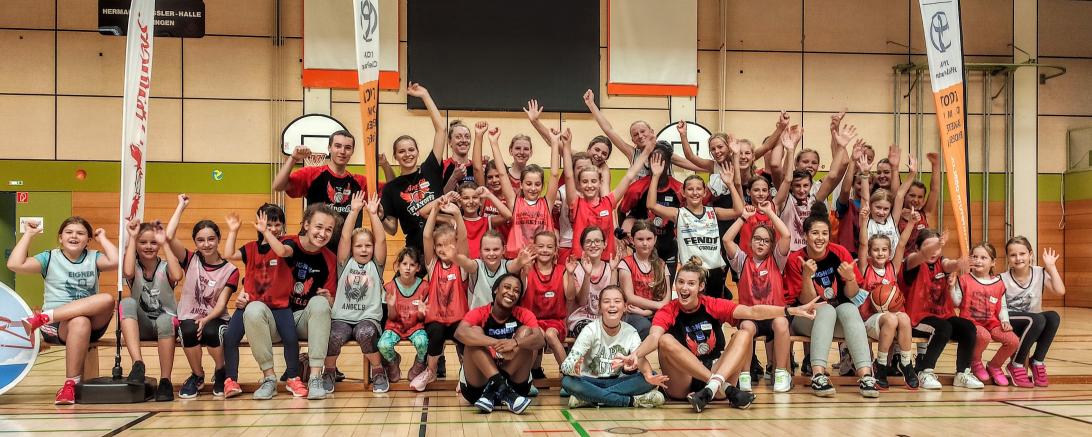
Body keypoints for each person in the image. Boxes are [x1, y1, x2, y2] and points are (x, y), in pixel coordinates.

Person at [620, 258, 820, 412]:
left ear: (700, 287)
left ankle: (711, 389)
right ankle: (720, 386)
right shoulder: (668, 310)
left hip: (716, 368)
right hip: (683, 382)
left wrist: (791, 311)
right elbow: (654, 337)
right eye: (680, 282)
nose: (683, 288)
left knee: (743, 333)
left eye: (690, 283)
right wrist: (635, 355)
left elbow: (752, 312)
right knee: (665, 339)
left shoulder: (712, 304)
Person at [10, 217, 118, 405]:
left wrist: (103, 239)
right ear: (60, 238)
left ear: (88, 240)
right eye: (69, 232)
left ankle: (42, 318)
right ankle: (70, 385)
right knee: (79, 321)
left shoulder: (94, 257)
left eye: (80, 233)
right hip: (59, 327)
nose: (74, 236)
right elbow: (15, 264)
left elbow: (116, 262)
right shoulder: (49, 257)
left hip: (91, 322)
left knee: (107, 299)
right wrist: (28, 234)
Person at [784, 203, 879, 398]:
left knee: (849, 309)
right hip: (805, 319)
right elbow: (806, 302)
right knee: (826, 310)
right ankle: (818, 375)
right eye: (815, 233)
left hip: (835, 321)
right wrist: (806, 277)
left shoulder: (840, 253)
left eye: (824, 233)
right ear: (805, 235)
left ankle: (866, 376)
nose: (820, 238)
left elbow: (853, 295)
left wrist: (851, 277)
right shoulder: (796, 260)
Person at [259, 203, 341, 399]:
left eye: (328, 229)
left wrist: (329, 300)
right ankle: (268, 379)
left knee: (321, 303)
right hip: (277, 321)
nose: (323, 233)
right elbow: (261, 271)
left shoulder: (329, 258)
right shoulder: (287, 244)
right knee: (253, 310)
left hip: (304, 320)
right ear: (306, 224)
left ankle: (315, 377)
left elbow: (330, 300)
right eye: (318, 227)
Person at [163, 201, 239, 399]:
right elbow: (168, 236)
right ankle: (197, 375)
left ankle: (221, 371)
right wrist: (180, 206)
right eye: (201, 240)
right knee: (188, 329)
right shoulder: (190, 259)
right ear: (195, 242)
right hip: (190, 315)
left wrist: (205, 320)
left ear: (218, 239)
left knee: (212, 330)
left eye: (211, 239)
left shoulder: (230, 270)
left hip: (216, 317)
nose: (206, 244)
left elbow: (222, 304)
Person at [645, 154, 742, 299]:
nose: (695, 192)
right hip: (691, 272)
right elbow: (651, 205)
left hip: (714, 271)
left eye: (698, 189)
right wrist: (656, 176)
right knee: (692, 310)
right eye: (690, 189)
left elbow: (738, 211)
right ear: (683, 192)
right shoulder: (678, 213)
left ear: (704, 192)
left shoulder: (713, 212)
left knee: (714, 314)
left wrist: (730, 184)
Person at [723, 202, 794, 393]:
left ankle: (780, 372)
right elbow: (727, 239)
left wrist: (770, 212)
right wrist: (743, 217)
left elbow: (786, 235)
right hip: (752, 317)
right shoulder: (741, 261)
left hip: (773, 316)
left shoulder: (777, 260)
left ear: (772, 245)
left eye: (766, 240)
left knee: (781, 324)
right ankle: (744, 375)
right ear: (750, 241)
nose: (761, 243)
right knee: (745, 327)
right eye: (757, 239)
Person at [324, 192, 390, 392]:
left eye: (367, 246)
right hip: (342, 317)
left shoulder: (376, 266)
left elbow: (381, 240)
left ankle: (378, 370)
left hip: (367, 318)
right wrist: (353, 211)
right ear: (351, 249)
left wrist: (373, 214)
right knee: (332, 336)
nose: (363, 250)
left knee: (365, 333)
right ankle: (329, 371)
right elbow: (344, 236)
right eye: (358, 246)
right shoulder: (344, 264)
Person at [561, 286, 666, 409]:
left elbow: (641, 359)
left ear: (625, 307)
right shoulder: (590, 330)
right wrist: (572, 369)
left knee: (650, 376)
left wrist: (648, 375)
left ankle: (589, 398)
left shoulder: (630, 332)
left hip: (618, 382)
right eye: (606, 301)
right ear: (599, 308)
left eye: (617, 301)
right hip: (590, 381)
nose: (612, 305)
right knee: (567, 382)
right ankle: (630, 401)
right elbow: (565, 367)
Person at [901, 229, 981, 389]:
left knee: (968, 327)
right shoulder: (912, 262)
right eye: (929, 246)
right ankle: (924, 371)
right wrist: (937, 243)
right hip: (916, 320)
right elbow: (922, 255)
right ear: (917, 248)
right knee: (944, 327)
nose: (934, 251)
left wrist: (959, 263)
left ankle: (962, 373)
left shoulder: (941, 263)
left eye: (938, 247)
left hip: (941, 316)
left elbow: (949, 264)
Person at [456, 273, 544, 415]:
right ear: (496, 289)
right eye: (507, 287)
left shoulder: (524, 314)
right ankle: (500, 387)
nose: (511, 293)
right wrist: (496, 343)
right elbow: (459, 333)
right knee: (474, 332)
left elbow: (540, 340)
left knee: (527, 335)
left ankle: (497, 387)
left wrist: (515, 342)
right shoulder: (480, 312)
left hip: (514, 383)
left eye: (516, 291)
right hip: (478, 388)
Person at [856, 208, 919, 390]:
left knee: (904, 317)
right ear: (870, 252)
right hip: (868, 320)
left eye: (884, 249)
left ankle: (905, 362)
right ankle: (881, 365)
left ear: (889, 251)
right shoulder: (865, 268)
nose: (880, 253)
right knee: (892, 318)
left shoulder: (893, 267)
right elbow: (861, 244)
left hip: (888, 320)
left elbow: (902, 245)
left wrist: (912, 224)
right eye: (875, 250)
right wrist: (863, 221)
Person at [379, 83, 446, 254]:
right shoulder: (391, 189)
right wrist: (379, 216)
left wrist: (425, 96)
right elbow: (392, 229)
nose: (407, 154)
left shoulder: (429, 169)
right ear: (395, 156)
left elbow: (441, 130)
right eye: (401, 151)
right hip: (415, 249)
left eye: (411, 149)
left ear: (417, 151)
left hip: (443, 242)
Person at [273, 129, 368, 247]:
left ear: (352, 151)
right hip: (314, 248)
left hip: (345, 251)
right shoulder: (311, 174)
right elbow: (278, 186)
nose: (342, 151)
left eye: (348, 148)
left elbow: (392, 188)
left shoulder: (360, 182)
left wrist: (384, 165)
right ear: (329, 148)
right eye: (337, 146)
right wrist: (293, 158)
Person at [417, 196, 473, 391]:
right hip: (437, 318)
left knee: (463, 334)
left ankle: (466, 374)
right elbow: (426, 236)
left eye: (448, 244)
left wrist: (457, 214)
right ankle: (430, 371)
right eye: (439, 245)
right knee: (436, 332)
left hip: (458, 318)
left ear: (456, 246)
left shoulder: (461, 266)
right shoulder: (433, 265)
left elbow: (464, 238)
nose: (442, 249)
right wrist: (434, 209)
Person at [119, 219, 179, 401]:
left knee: (163, 319)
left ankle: (165, 381)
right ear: (136, 244)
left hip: (166, 324)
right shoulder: (134, 267)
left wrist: (165, 243)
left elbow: (177, 275)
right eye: (143, 242)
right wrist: (131, 236)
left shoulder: (165, 266)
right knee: (126, 303)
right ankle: (138, 364)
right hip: (143, 325)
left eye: (153, 242)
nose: (148, 246)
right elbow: (127, 272)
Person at [1000, 237, 1064, 387]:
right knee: (1037, 319)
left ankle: (1037, 361)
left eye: (1022, 254)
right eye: (1013, 255)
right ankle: (1016, 364)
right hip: (1011, 320)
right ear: (1008, 258)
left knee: (1053, 317)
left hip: (1035, 323)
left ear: (1030, 255)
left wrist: (1051, 267)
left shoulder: (1039, 273)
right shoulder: (1002, 278)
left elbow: (1060, 291)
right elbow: (1000, 308)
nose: (1018, 258)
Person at [953, 242, 1019, 387]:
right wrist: (951, 287)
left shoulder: (999, 283)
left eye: (983, 258)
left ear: (993, 262)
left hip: (992, 322)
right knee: (984, 337)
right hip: (971, 323)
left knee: (1013, 341)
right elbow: (956, 302)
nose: (978, 260)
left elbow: (1002, 306)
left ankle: (995, 365)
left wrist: (1005, 320)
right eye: (975, 257)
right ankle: (975, 362)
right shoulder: (964, 279)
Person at [378, 246, 431, 390]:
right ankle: (393, 361)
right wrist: (391, 306)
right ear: (398, 266)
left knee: (423, 342)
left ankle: (419, 363)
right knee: (383, 345)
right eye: (404, 264)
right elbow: (391, 317)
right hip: (395, 325)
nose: (408, 268)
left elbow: (421, 319)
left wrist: (421, 312)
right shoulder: (390, 288)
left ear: (418, 268)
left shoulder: (425, 287)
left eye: (412, 265)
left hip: (415, 326)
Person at [617, 220, 671, 339]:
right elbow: (630, 297)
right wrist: (657, 306)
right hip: (632, 312)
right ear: (632, 240)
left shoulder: (661, 264)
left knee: (674, 327)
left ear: (655, 239)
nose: (645, 243)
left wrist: (648, 312)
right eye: (640, 239)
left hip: (655, 312)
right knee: (645, 327)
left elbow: (667, 299)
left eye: (649, 239)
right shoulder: (626, 264)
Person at [565, 227, 622, 339]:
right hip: (581, 319)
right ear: (582, 246)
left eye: (597, 241)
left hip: (605, 318)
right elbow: (582, 301)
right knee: (592, 331)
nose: (593, 245)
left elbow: (612, 297)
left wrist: (614, 270)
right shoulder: (575, 268)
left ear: (604, 244)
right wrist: (587, 274)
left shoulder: (610, 267)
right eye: (588, 242)